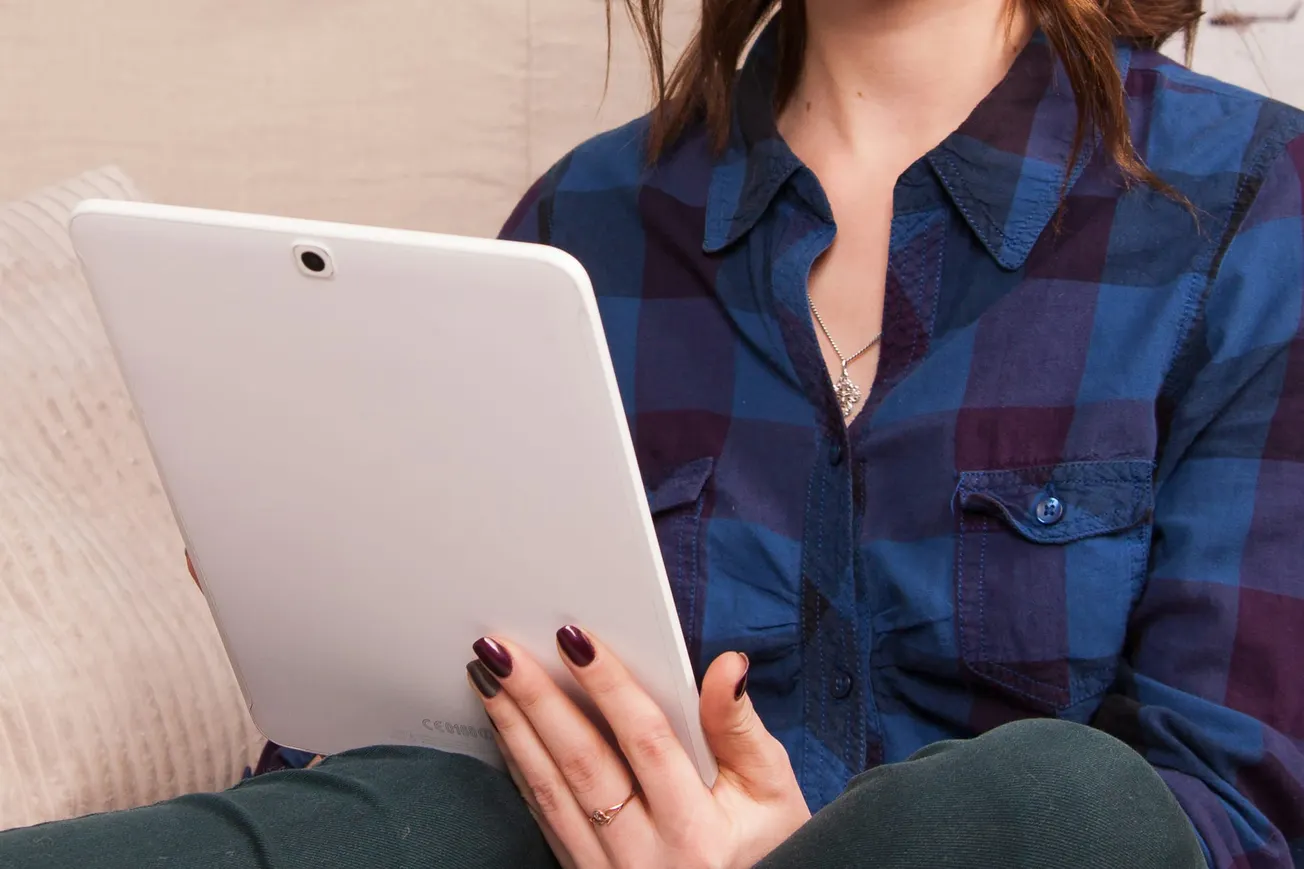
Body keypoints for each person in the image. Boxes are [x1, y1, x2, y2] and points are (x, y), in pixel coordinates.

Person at [4, 0, 1302, 865]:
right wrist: (322, 611)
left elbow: (1236, 819)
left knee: (1067, 803)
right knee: (426, 803)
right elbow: (413, 759)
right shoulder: (582, 225)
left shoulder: (1250, 204)